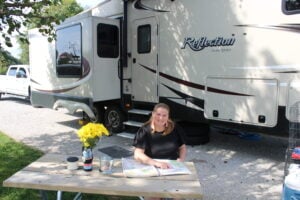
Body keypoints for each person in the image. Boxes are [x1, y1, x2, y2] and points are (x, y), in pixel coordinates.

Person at [133, 103, 187, 170]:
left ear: (168, 116)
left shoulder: (175, 128)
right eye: (158, 114)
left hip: (172, 167)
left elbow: (182, 147)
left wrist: (181, 159)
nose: (161, 118)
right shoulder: (144, 130)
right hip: (152, 166)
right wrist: (157, 163)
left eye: (164, 115)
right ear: (153, 114)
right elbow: (137, 154)